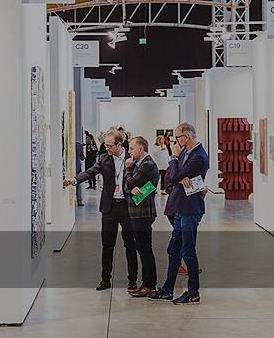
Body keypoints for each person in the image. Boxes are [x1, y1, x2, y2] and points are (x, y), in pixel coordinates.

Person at [63, 130, 139, 292]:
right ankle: (105, 279)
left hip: (127, 207)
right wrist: (74, 180)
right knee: (107, 245)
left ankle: (132, 280)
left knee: (130, 244)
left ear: (119, 144)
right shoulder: (104, 158)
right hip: (109, 207)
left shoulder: (131, 158)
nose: (106, 148)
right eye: (106, 145)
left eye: (110, 146)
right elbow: (90, 172)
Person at [148, 122, 209, 305]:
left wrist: (174, 159)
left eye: (177, 137)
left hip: (190, 208)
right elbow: (171, 177)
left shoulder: (198, 156)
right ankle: (168, 289)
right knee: (174, 249)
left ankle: (193, 292)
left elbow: (174, 176)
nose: (175, 141)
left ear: (186, 137)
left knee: (188, 250)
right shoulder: (186, 152)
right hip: (180, 207)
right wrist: (178, 176)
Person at [123, 136, 158, 297]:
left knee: (144, 249)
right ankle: (147, 283)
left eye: (131, 148)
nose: (129, 152)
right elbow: (128, 187)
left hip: (143, 213)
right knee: (142, 248)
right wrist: (131, 186)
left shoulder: (147, 165)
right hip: (138, 212)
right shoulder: (141, 164)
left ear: (141, 149)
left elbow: (130, 182)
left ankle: (149, 285)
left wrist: (128, 169)